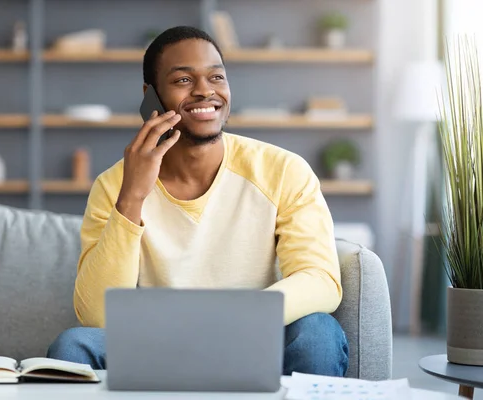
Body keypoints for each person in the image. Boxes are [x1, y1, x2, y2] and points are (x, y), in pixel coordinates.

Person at [47, 26, 348, 376]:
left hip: (254, 335)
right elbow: (97, 315)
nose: (205, 91)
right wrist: (133, 195)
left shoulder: (283, 171)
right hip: (158, 344)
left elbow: (320, 280)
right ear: (151, 97)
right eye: (183, 81)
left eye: (216, 77)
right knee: (73, 344)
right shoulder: (114, 185)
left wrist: (235, 317)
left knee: (317, 333)